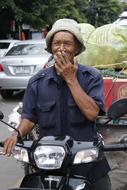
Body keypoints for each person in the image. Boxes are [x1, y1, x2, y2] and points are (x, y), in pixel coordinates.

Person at [3, 18, 111, 190]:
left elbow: (92, 113)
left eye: (67, 43)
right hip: (48, 163)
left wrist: (70, 79)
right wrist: (17, 135)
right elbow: (29, 117)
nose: (61, 48)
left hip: (86, 163)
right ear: (50, 48)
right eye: (56, 43)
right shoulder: (37, 82)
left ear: (76, 48)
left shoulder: (92, 77)